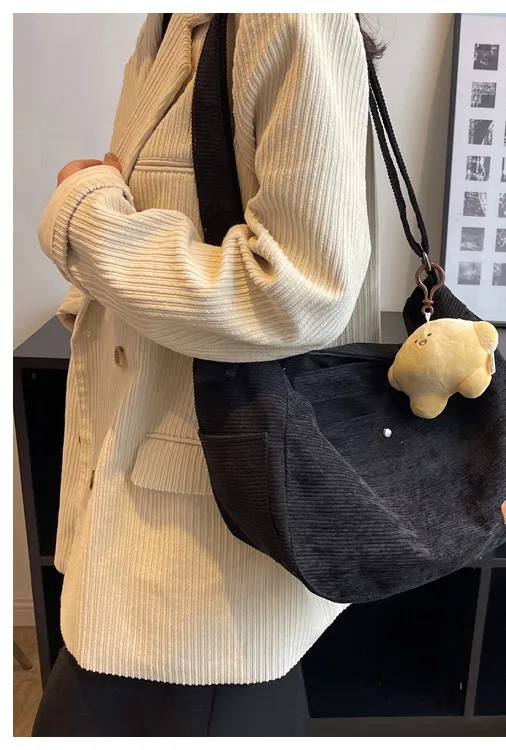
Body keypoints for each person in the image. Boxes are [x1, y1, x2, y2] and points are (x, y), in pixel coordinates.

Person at [32, 13, 381, 736]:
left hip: (202, 554)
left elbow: (303, 291)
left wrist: (83, 217)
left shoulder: (283, 17)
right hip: (140, 500)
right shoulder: (166, 24)